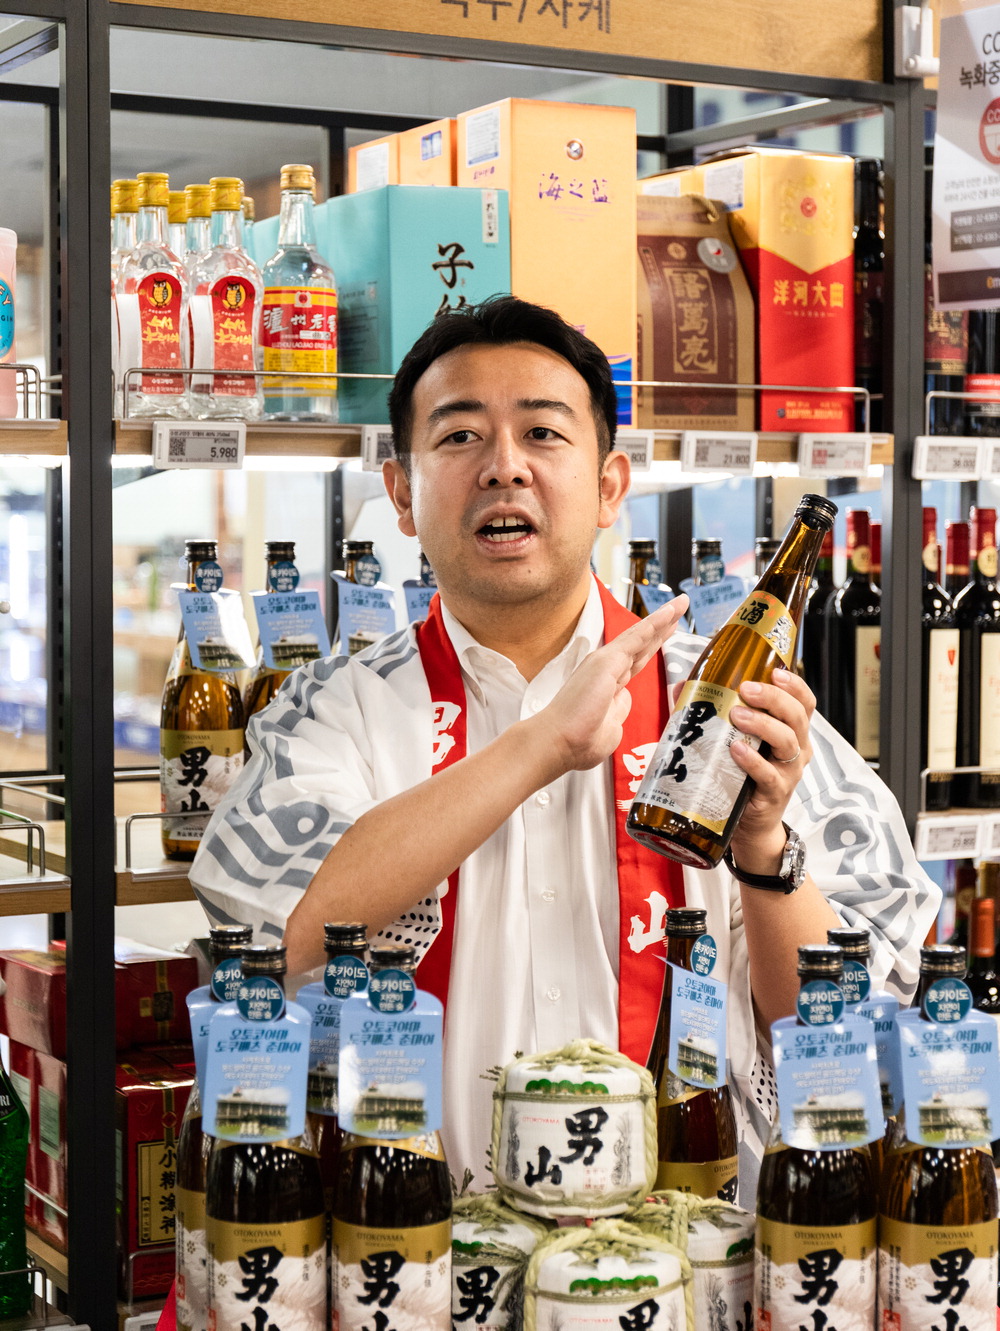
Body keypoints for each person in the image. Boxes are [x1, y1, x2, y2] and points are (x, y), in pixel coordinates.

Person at [190, 295, 939, 1201]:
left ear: (611, 485)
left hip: (678, 1264)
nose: (505, 467)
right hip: (415, 1245)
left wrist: (766, 853)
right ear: (399, 493)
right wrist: (542, 743)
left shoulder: (733, 701)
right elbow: (296, 924)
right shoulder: (335, 707)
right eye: (460, 436)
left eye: (543, 433)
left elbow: (830, 1034)